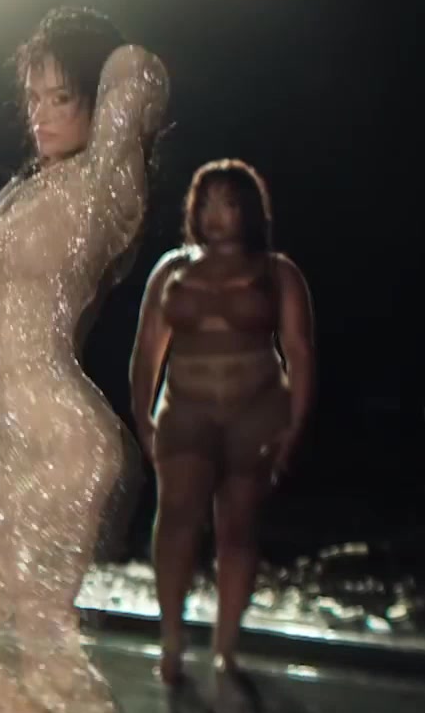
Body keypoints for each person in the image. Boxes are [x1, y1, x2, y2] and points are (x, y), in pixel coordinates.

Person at [0, 7, 169, 713]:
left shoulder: (107, 186)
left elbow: (138, 66)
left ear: (99, 102)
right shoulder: (27, 190)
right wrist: (61, 72)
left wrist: (83, 46)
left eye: (61, 97)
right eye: (32, 96)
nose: (40, 113)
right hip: (8, 455)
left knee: (39, 640)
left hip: (63, 446)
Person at [128, 159, 315, 685]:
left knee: (238, 527)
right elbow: (147, 350)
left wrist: (294, 427)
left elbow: (300, 353)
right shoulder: (171, 270)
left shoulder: (278, 272)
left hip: (254, 409)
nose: (215, 215)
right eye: (206, 203)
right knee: (176, 519)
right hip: (186, 407)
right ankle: (170, 637)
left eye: (228, 203)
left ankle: (225, 645)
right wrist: (142, 415)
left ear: (248, 210)